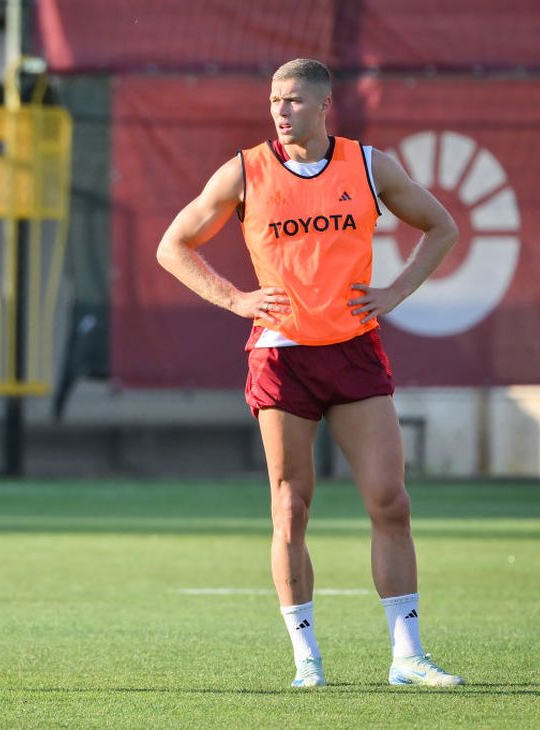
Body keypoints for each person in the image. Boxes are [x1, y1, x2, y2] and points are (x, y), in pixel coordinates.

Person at [156, 59, 463, 688]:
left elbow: (442, 226)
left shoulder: (368, 165)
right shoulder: (245, 170)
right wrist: (236, 299)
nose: (279, 111)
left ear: (325, 107)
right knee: (290, 508)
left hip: (353, 347)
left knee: (390, 500)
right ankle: (307, 661)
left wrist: (395, 292)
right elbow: (173, 245)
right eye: (274, 100)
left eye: (293, 101)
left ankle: (407, 657)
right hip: (280, 355)